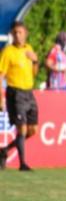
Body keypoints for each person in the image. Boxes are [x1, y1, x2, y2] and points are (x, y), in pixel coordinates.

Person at [0, 21, 39, 171]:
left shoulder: (29, 49)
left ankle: (4, 150)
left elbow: (34, 73)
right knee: (21, 129)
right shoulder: (8, 52)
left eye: (20, 32)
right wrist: (1, 97)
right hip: (15, 93)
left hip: (29, 92)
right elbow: (1, 75)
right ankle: (22, 164)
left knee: (33, 130)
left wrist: (35, 61)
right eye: (15, 33)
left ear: (25, 33)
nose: (17, 35)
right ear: (12, 35)